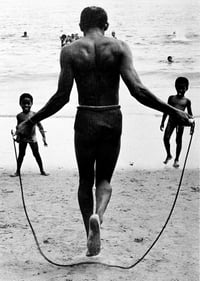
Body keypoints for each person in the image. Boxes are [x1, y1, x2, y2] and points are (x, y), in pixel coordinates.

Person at [16, 7, 193, 256]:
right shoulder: (119, 48)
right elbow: (138, 90)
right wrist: (172, 111)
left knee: (85, 181)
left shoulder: (70, 51)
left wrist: (31, 121)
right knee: (104, 180)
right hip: (112, 117)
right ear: (107, 24)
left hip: (85, 116)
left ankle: (89, 230)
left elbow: (61, 97)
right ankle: (98, 215)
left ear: (80, 26)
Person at [11, 93, 49, 177]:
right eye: (24, 103)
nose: (26, 105)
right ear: (20, 104)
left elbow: (40, 126)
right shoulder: (19, 116)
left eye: (28, 103)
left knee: (36, 154)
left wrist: (44, 138)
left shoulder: (34, 114)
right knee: (21, 155)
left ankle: (42, 170)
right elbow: (19, 128)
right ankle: (17, 171)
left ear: (32, 103)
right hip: (23, 139)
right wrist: (16, 135)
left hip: (32, 138)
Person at [160, 77, 193, 168]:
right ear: (175, 87)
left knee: (178, 141)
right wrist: (162, 122)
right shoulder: (171, 98)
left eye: (183, 88)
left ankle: (177, 159)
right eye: (179, 88)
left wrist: (192, 126)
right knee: (166, 138)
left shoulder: (187, 101)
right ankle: (169, 155)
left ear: (187, 88)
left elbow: (190, 115)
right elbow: (166, 110)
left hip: (181, 123)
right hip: (171, 121)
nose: (181, 90)